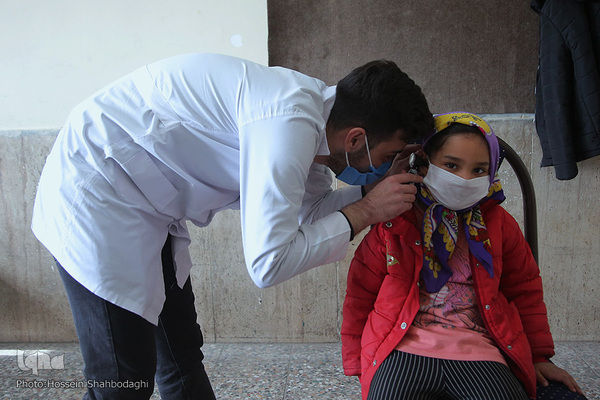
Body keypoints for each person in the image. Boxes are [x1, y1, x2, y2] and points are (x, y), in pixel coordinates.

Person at [31, 53, 433, 399]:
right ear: (356, 138)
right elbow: (267, 263)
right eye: (388, 156)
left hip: (146, 204)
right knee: (123, 377)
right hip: (98, 189)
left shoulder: (314, 131)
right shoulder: (289, 123)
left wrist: (374, 191)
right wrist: (366, 211)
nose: (386, 165)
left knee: (181, 353)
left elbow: (310, 213)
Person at [341, 112, 586, 400]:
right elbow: (360, 294)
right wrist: (356, 361)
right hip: (401, 347)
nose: (465, 179)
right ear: (424, 161)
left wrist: (539, 356)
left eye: (479, 170)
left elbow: (525, 292)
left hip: (480, 350)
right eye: (451, 165)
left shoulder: (500, 225)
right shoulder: (395, 219)